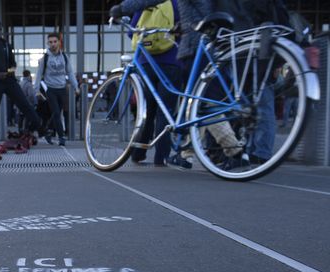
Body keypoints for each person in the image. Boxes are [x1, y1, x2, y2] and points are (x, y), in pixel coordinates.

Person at [112, 0, 250, 170]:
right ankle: (186, 154)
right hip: (210, 43)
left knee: (201, 103)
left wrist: (121, 8)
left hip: (195, 45)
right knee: (195, 105)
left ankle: (233, 150)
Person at [126, 1, 181, 166]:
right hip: (172, 61)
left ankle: (138, 153)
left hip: (146, 62)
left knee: (145, 111)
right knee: (165, 111)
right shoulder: (177, 4)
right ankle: (161, 157)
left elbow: (132, 32)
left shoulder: (146, 3)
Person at [0, 19, 44, 146]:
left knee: (24, 103)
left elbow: (13, 64)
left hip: (9, 80)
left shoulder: (6, 45)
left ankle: (35, 127)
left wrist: (9, 71)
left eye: (0, 29)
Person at [34, 33, 78, 146]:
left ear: (59, 42)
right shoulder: (45, 58)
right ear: (47, 43)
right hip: (51, 89)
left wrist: (76, 86)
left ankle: (47, 131)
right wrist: (36, 90)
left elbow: (70, 73)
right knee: (57, 113)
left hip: (62, 89)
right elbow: (38, 75)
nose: (53, 44)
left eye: (55, 41)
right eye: (50, 42)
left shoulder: (64, 57)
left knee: (56, 113)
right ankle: (62, 137)